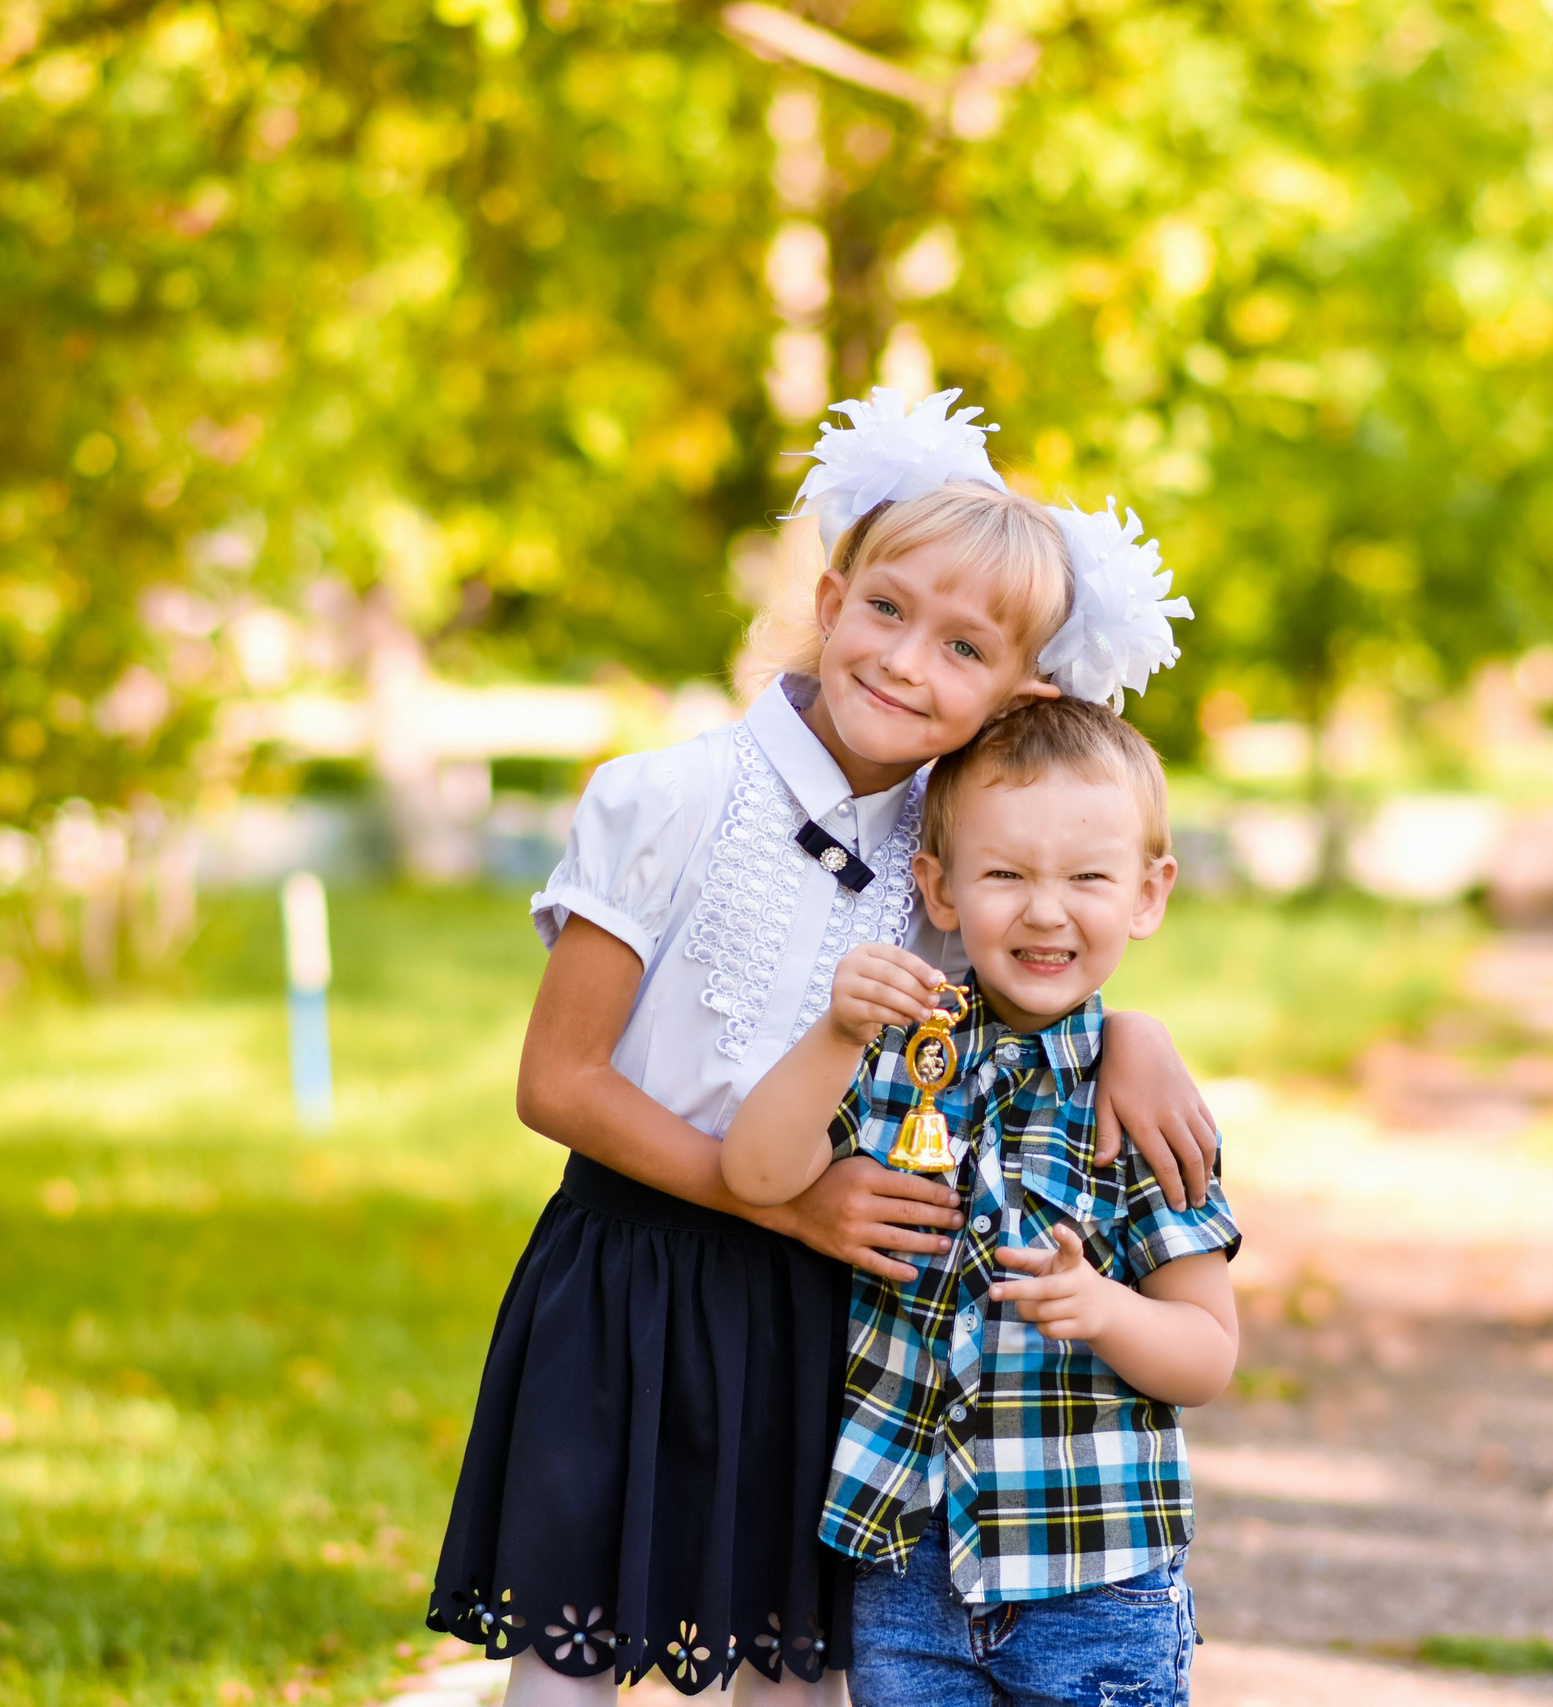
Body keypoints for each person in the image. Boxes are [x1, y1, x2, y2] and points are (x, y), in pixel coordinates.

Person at [426, 389, 1214, 1703]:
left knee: (790, 1672)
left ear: (1019, 689)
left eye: (963, 648)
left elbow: (1042, 977)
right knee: (568, 1664)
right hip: (638, 1276)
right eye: (889, 610)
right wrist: (789, 1204)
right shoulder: (665, 796)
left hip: (839, 1316)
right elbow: (556, 1081)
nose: (907, 660)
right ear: (834, 593)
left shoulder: (953, 858)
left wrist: (1130, 1033)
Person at [721, 696, 1242, 1707]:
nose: (1045, 910)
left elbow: (1208, 1352)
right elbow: (756, 1173)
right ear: (938, 887)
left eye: (1087, 877)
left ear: (1147, 893)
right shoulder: (896, 1058)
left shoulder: (1138, 1109)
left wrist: (1106, 1312)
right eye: (1004, 874)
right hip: (904, 1567)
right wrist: (834, 1031)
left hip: (1094, 1575)